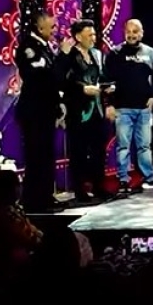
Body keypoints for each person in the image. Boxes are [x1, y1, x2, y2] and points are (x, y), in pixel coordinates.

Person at [104, 19, 153, 193]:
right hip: (122, 108)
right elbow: (107, 81)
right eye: (128, 31)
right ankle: (123, 180)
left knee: (145, 146)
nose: (131, 35)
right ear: (124, 32)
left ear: (141, 33)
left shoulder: (150, 52)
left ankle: (150, 178)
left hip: (144, 109)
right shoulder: (115, 53)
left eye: (135, 31)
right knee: (123, 146)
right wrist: (109, 104)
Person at [55, 19, 113, 204]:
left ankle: (98, 186)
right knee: (79, 151)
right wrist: (82, 89)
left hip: (96, 109)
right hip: (78, 111)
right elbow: (62, 81)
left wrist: (107, 87)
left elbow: (102, 77)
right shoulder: (70, 56)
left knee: (98, 150)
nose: (93, 38)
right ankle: (80, 190)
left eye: (94, 34)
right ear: (78, 37)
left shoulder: (96, 55)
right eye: (89, 35)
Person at [15, 10, 66, 212]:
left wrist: (58, 104)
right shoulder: (28, 47)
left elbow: (54, 79)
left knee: (46, 156)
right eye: (51, 26)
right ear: (39, 27)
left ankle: (45, 196)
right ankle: (34, 200)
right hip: (34, 112)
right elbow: (41, 77)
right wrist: (62, 56)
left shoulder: (44, 47)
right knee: (36, 156)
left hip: (45, 111)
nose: (54, 30)